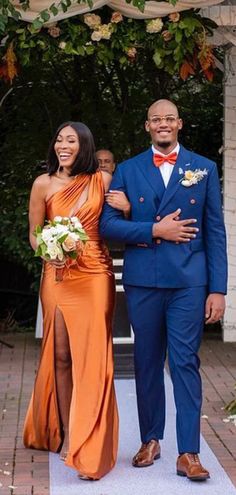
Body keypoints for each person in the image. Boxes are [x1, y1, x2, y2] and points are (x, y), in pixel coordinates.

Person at [100, 99, 227, 481]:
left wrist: (218, 289)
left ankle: (188, 452)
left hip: (189, 281)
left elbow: (215, 231)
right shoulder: (128, 169)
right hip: (144, 282)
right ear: (147, 126)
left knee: (185, 362)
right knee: (147, 361)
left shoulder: (204, 168)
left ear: (180, 123)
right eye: (157, 119)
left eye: (169, 118)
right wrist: (154, 229)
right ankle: (150, 440)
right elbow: (106, 227)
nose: (163, 124)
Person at [23, 121, 126, 481]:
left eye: (71, 140)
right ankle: (69, 434)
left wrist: (127, 209)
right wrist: (46, 250)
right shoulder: (42, 184)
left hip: (95, 274)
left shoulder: (104, 180)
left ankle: (92, 441)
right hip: (58, 276)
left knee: (94, 358)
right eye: (59, 140)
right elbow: (35, 235)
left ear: (84, 146)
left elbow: (119, 223)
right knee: (62, 355)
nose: (63, 146)